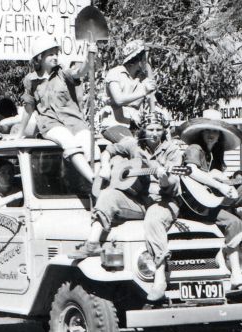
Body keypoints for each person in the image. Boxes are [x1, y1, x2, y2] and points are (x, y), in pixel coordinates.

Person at [69, 113, 185, 303]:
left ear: (164, 130)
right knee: (107, 195)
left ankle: (159, 277)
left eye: (158, 129)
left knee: (153, 219)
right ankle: (91, 244)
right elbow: (109, 150)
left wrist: (164, 177)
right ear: (143, 130)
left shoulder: (172, 150)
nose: (154, 133)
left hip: (164, 201)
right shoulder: (133, 144)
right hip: (138, 199)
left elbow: (172, 183)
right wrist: (106, 166)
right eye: (150, 129)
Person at [176, 108, 242, 289]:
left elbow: (217, 179)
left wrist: (226, 181)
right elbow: (192, 171)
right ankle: (236, 274)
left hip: (213, 200)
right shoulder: (195, 148)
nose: (211, 134)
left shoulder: (217, 154)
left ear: (220, 135)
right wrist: (220, 185)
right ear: (201, 132)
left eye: (215, 131)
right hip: (195, 205)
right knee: (232, 222)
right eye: (208, 130)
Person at [15, 35, 96, 183]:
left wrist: (89, 56)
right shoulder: (30, 80)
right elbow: (28, 109)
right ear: (39, 57)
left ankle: (103, 180)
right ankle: (94, 180)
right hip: (51, 124)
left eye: (56, 53)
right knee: (69, 142)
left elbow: (80, 72)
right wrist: (19, 133)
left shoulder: (63, 73)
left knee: (91, 145)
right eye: (51, 54)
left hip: (75, 122)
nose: (55, 57)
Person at [98, 39, 158, 143]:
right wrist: (144, 91)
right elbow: (118, 100)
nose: (146, 62)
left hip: (136, 125)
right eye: (144, 59)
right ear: (137, 61)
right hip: (115, 124)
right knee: (131, 143)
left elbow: (153, 103)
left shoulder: (143, 77)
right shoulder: (115, 73)